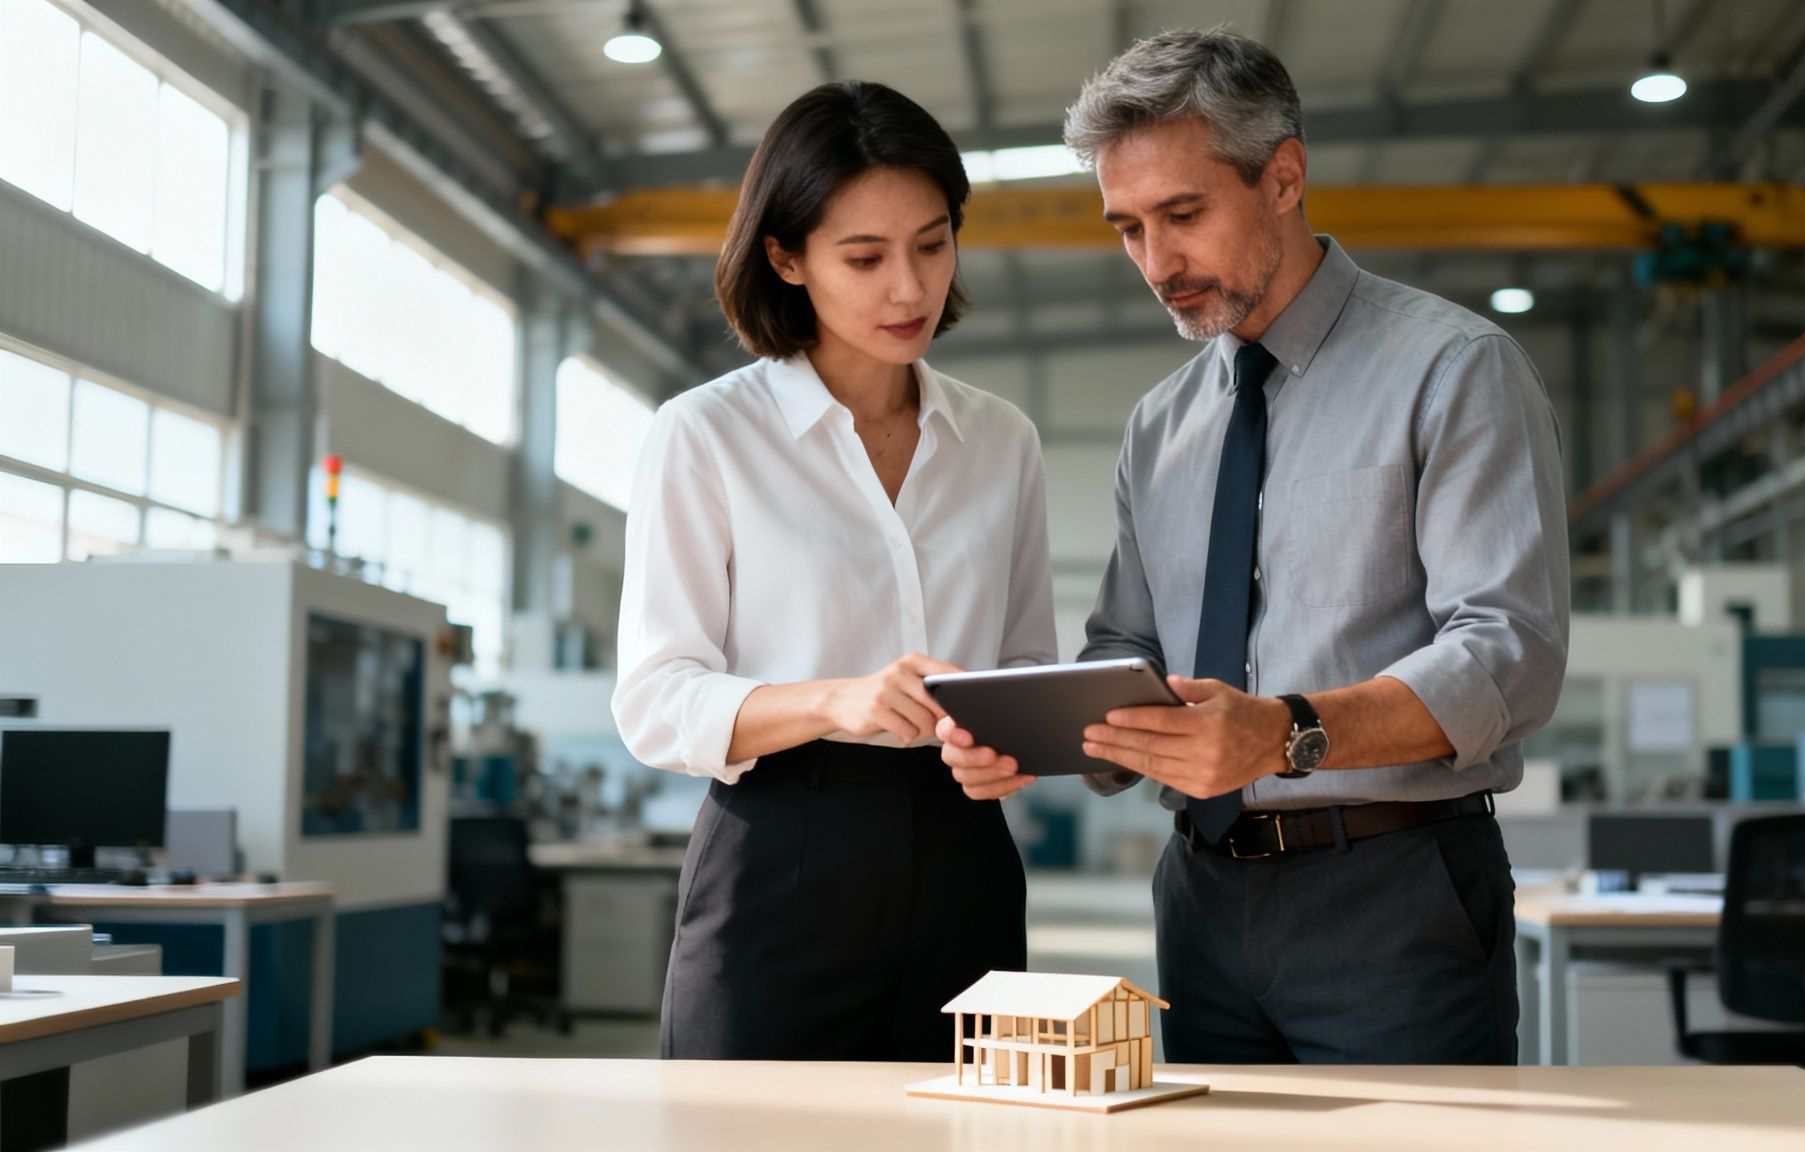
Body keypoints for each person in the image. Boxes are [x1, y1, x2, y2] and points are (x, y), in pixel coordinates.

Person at [941, 27, 1570, 1065]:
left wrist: (1284, 736)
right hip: (1200, 894)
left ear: (1283, 177)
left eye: (1183, 214)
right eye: (1127, 227)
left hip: (1393, 900)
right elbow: (1124, 646)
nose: (1155, 263)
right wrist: (1035, 731)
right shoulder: (1160, 425)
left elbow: (1507, 653)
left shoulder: (1452, 370)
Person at [612, 80, 1057, 1061]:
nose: (908, 288)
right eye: (863, 256)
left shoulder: (1000, 442)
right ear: (786, 257)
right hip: (781, 854)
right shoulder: (706, 436)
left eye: (931, 244)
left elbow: (1026, 664)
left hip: (962, 859)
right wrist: (835, 701)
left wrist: (1013, 745)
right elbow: (654, 699)